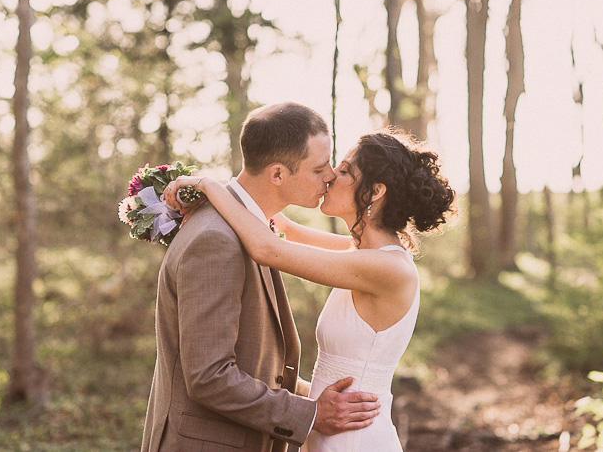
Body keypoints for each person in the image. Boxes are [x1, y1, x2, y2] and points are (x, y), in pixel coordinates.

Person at [164, 128, 456, 451]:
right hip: (329, 429)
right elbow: (281, 228)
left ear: (375, 192)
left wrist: (209, 186)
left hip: (355, 440)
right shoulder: (362, 254)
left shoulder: (388, 269)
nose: (330, 176)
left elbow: (267, 248)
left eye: (344, 170)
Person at [141, 102, 381, 452]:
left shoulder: (249, 227)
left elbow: (256, 361)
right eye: (319, 168)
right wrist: (310, 414)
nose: (330, 175)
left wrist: (315, 397)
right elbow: (209, 376)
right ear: (278, 174)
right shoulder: (216, 239)